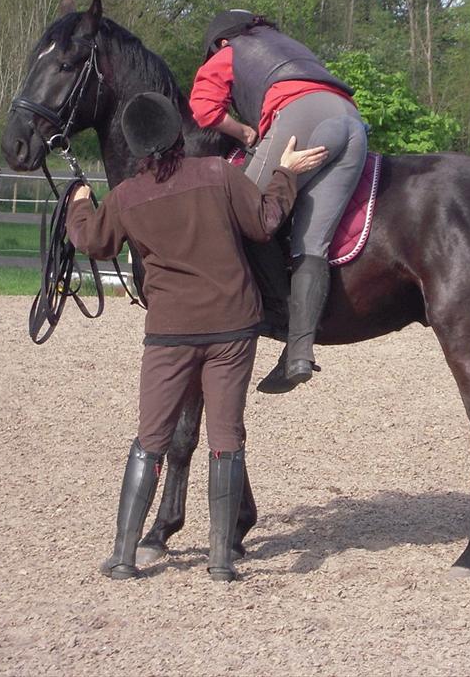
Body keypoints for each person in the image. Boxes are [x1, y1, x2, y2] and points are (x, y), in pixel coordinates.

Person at [66, 92, 327, 581]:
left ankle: (124, 556)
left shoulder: (125, 196)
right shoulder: (218, 174)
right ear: (175, 135)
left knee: (151, 438)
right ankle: (222, 560)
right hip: (232, 327)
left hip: (169, 335)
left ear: (136, 146)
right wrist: (285, 172)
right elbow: (265, 222)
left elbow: (93, 242)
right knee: (226, 438)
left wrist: (79, 205)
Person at [189, 10, 368, 391]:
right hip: (351, 122)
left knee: (242, 212)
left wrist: (244, 131)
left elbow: (203, 110)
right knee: (311, 240)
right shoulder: (292, 47)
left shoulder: (230, 51)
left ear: (221, 42)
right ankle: (299, 353)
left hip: (302, 116)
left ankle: (273, 313)